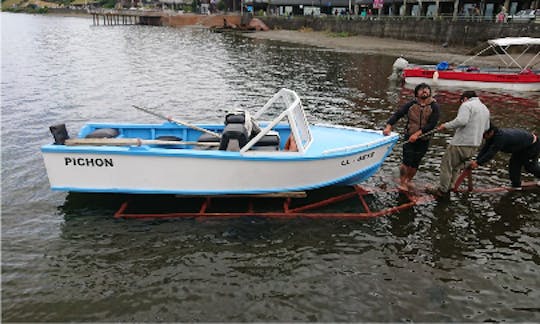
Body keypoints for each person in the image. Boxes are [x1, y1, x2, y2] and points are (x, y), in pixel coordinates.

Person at [427, 91, 490, 197]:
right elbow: (487, 127)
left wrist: (445, 125)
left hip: (461, 142)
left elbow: (462, 121)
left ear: (464, 99)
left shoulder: (467, 105)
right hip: (475, 144)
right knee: (457, 166)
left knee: (446, 165)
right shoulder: (485, 109)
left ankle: (442, 189)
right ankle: (451, 185)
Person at [383, 83, 440, 191]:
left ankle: (408, 180)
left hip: (424, 138)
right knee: (407, 161)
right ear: (416, 93)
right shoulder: (411, 105)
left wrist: (418, 134)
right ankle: (403, 181)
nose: (424, 91)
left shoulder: (434, 106)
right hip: (409, 136)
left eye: (427, 89)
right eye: (422, 90)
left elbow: (432, 124)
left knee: (415, 162)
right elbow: (398, 114)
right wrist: (389, 126)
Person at [469, 125, 540, 188]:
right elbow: (485, 149)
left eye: (484, 135)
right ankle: (516, 185)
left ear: (491, 132)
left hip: (532, 145)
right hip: (521, 147)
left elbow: (491, 153)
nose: (483, 137)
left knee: (529, 166)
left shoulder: (500, 138)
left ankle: (517, 184)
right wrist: (476, 160)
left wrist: (478, 163)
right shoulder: (491, 137)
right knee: (514, 164)